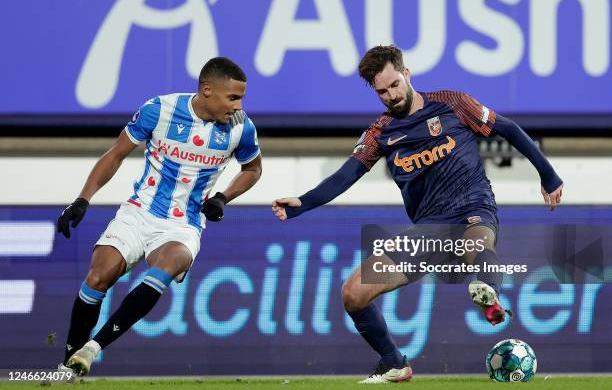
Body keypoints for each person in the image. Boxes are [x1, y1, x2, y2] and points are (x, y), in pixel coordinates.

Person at [272, 45, 563, 384]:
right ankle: (393, 362)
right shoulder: (381, 133)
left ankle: (486, 289)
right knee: (353, 293)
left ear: (406, 74)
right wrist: (303, 203)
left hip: (473, 208)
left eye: (395, 84)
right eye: (382, 91)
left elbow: (508, 129)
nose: (391, 95)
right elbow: (345, 176)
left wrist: (549, 175)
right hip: (428, 231)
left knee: (476, 243)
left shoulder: (453, 103)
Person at [57, 57, 262, 376]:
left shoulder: (241, 128)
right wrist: (83, 199)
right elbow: (115, 154)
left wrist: (223, 197)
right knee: (99, 275)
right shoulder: (160, 110)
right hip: (138, 213)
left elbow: (253, 169)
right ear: (208, 90)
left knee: (170, 263)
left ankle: (93, 348)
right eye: (233, 97)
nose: (239, 105)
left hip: (184, 225)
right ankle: (67, 365)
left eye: (241, 98)